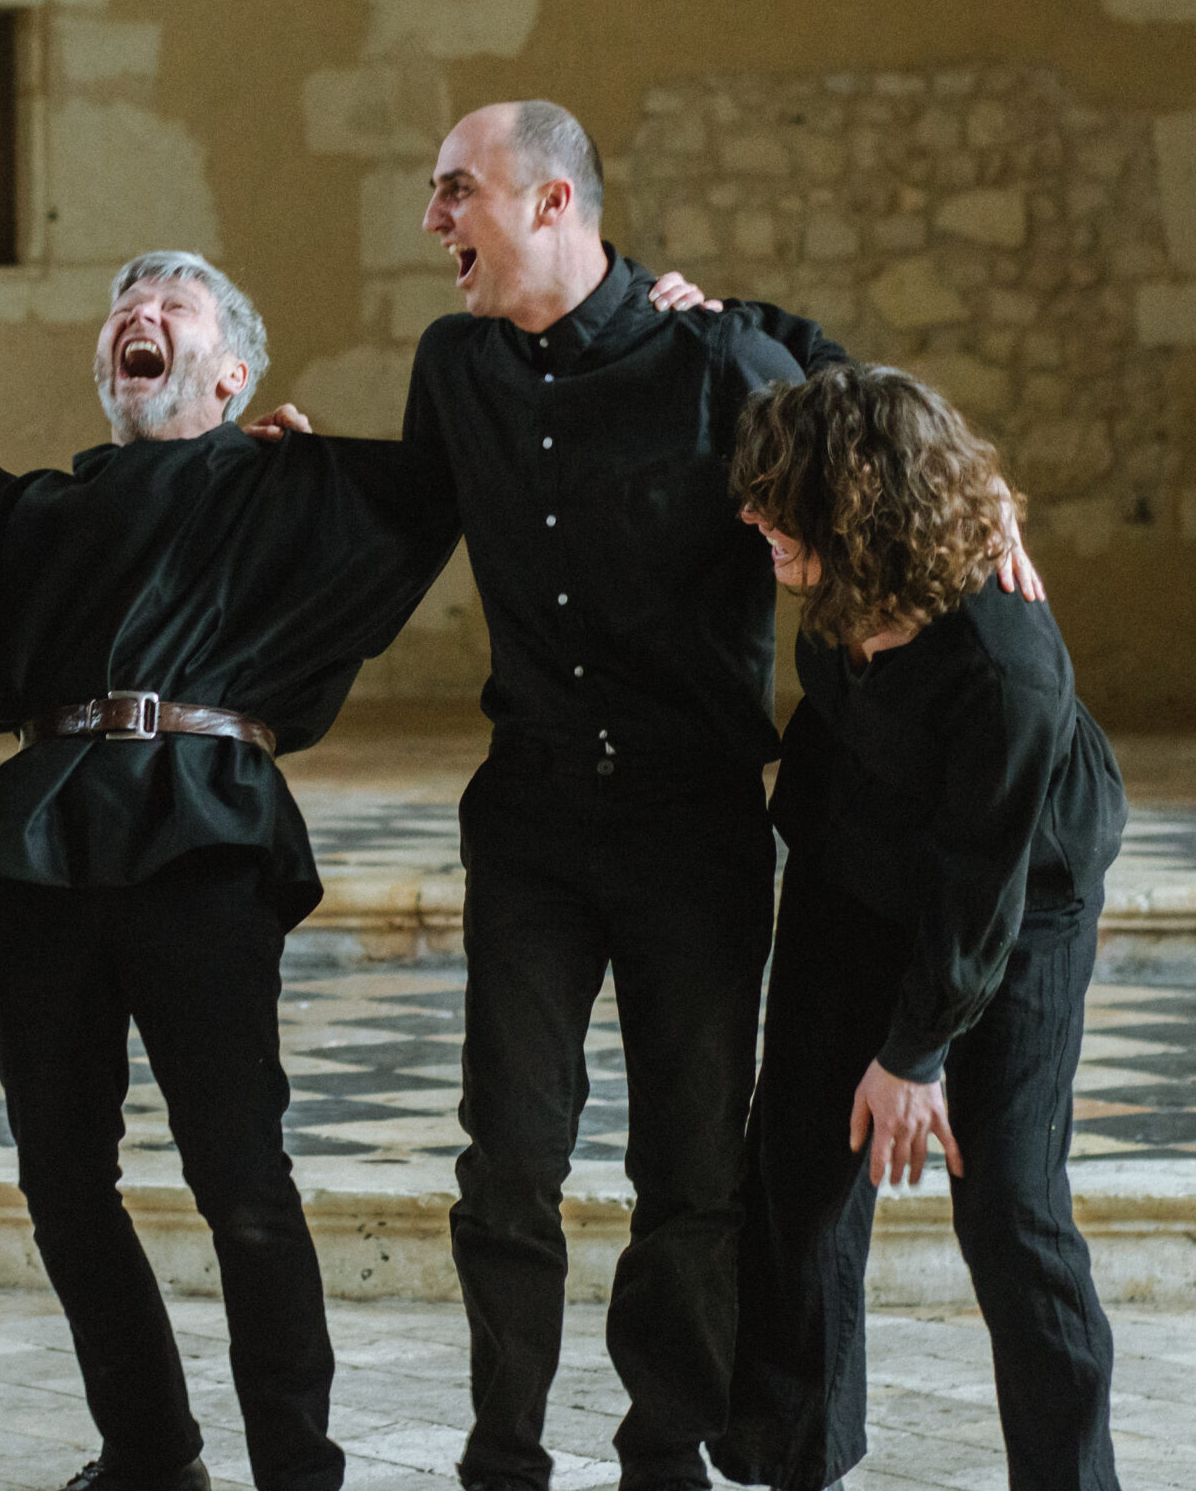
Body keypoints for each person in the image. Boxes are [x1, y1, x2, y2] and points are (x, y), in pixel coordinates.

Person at [396, 99, 1040, 1491]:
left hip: (691, 826)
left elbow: (865, 430)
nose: (432, 218)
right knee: (507, 1161)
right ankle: (501, 1459)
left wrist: (984, 500)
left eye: (455, 190)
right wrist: (242, 481)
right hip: (531, 819)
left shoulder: (717, 357)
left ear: (552, 202)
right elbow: (386, 526)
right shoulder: (452, 366)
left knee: (691, 1172)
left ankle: (663, 1456)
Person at [0, 252, 461, 1491]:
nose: (138, 316)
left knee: (239, 1177)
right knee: (59, 1182)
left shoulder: (286, 484)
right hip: (44, 851)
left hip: (202, 836)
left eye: (174, 305)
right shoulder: (37, 511)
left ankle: (297, 1472)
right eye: (124, 308)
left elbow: (478, 479)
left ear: (233, 370)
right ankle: (150, 1456)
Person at [715, 366, 1125, 1491]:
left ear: (859, 510)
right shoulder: (838, 563)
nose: (750, 514)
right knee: (796, 1164)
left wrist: (913, 1054)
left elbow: (980, 885)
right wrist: (679, 299)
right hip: (856, 860)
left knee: (1009, 1207)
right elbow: (820, 375)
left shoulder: (1006, 665)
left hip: (1019, 897)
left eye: (776, 501)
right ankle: (797, 1465)